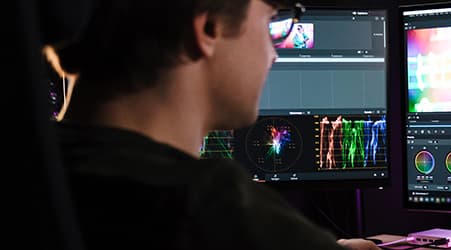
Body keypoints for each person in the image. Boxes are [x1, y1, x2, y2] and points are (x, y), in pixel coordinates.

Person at [52, 0, 377, 249]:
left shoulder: (27, 174)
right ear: (209, 28)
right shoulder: (211, 208)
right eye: (269, 23)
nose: (273, 55)